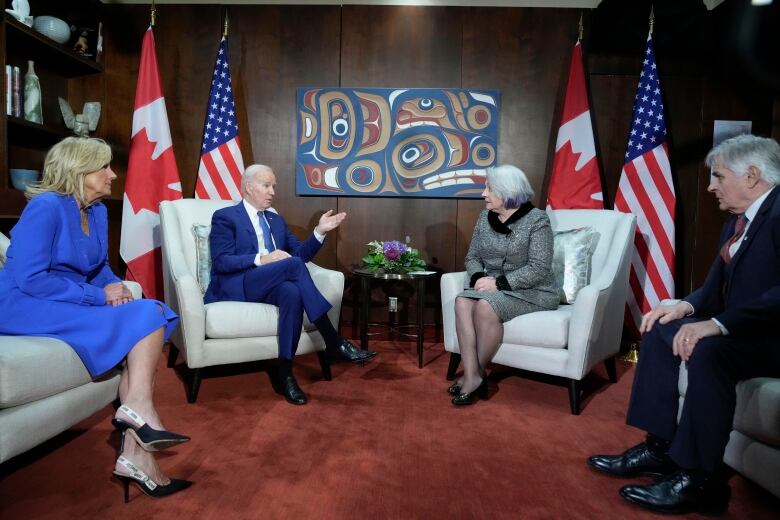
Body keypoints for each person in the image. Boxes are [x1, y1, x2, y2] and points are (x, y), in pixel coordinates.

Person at [587, 134, 780, 515]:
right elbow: (712, 290)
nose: (711, 186)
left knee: (709, 351)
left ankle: (699, 478)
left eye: (718, 176)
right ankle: (660, 448)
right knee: (659, 331)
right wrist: (683, 309)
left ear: (753, 175)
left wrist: (719, 325)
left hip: (771, 340)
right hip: (744, 331)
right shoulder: (738, 223)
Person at [0, 137, 191, 501]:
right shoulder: (45, 207)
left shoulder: (98, 210)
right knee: (148, 314)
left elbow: (98, 266)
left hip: (63, 299)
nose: (113, 175)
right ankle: (140, 417)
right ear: (79, 169)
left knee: (149, 310)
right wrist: (96, 295)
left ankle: (137, 449)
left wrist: (117, 287)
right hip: (20, 303)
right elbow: (29, 278)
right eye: (104, 167)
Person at [204, 164, 377, 405]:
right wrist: (262, 259)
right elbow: (222, 261)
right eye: (266, 185)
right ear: (248, 187)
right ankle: (334, 340)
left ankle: (285, 373)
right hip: (241, 283)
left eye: (274, 186)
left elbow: (300, 254)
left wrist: (318, 232)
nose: (272, 191)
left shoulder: (276, 220)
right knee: (294, 267)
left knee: (292, 292)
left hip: (270, 285)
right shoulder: (225, 216)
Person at [449, 164, 559, 406]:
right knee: (461, 301)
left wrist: (498, 283)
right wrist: (478, 278)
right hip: (492, 286)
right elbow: (472, 257)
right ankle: (474, 376)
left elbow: (539, 268)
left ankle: (472, 375)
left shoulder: (537, 220)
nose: (483, 194)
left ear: (507, 191)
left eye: (489, 188)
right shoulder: (484, 218)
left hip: (533, 291)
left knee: (485, 307)